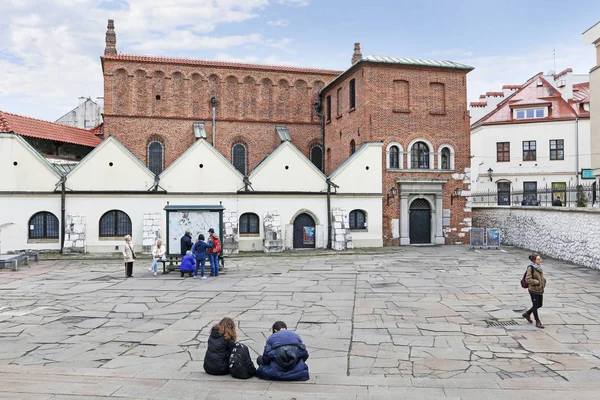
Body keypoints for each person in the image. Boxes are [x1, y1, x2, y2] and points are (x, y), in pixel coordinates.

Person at [522, 253, 547, 329]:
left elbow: (540, 277)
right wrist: (537, 282)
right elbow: (528, 279)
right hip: (533, 290)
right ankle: (537, 321)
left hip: (540, 289)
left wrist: (543, 281)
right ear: (534, 260)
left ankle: (527, 313)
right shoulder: (530, 268)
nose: (540, 260)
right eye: (538, 259)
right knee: (535, 305)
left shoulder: (539, 267)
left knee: (539, 304)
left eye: (540, 259)